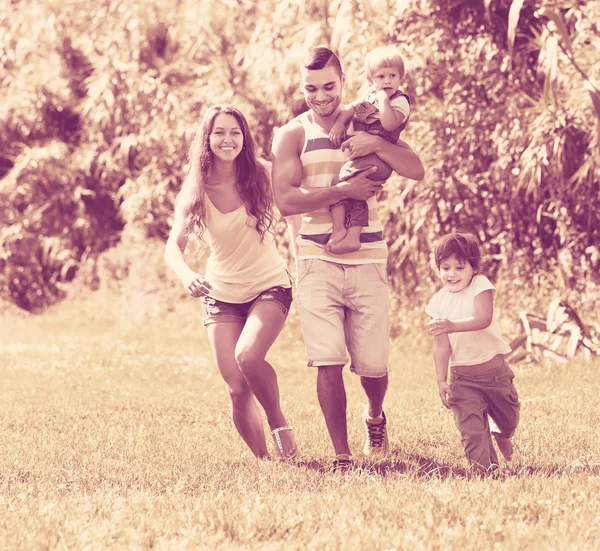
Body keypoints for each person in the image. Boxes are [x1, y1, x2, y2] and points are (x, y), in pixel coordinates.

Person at [271, 46, 424, 471]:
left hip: (369, 256)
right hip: (316, 258)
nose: (320, 96)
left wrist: (375, 141)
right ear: (302, 87)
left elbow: (415, 166)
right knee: (328, 359)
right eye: (311, 88)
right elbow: (285, 201)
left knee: (374, 365)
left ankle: (374, 414)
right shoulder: (291, 135)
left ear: (343, 82)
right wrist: (342, 192)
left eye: (328, 86)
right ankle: (342, 454)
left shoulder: (368, 117)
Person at [165, 104, 298, 461]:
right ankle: (266, 462)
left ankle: (278, 423)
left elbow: (296, 215)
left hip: (269, 284)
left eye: (235, 132)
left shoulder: (263, 174)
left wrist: (305, 257)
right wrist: (187, 274)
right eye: (220, 132)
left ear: (245, 137)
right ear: (207, 139)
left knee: (248, 356)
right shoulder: (195, 190)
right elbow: (173, 248)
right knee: (237, 388)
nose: (228, 140)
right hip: (221, 294)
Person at [425, 232, 520, 473]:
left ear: (473, 268)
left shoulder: (481, 286)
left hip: (495, 376)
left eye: (459, 267)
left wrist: (453, 325)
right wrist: (440, 380)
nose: (452, 273)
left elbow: (483, 318)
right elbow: (441, 345)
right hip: (463, 380)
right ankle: (485, 472)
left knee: (509, 419)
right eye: (445, 267)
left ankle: (502, 433)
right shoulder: (438, 302)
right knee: (472, 431)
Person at [326, 45, 411, 254]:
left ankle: (340, 231)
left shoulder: (400, 101)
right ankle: (350, 236)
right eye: (380, 77)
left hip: (378, 161)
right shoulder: (369, 94)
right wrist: (339, 125)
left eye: (392, 75)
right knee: (354, 191)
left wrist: (383, 100)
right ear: (371, 79)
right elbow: (349, 109)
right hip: (365, 157)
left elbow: (389, 124)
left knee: (338, 183)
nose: (387, 81)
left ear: (401, 77)